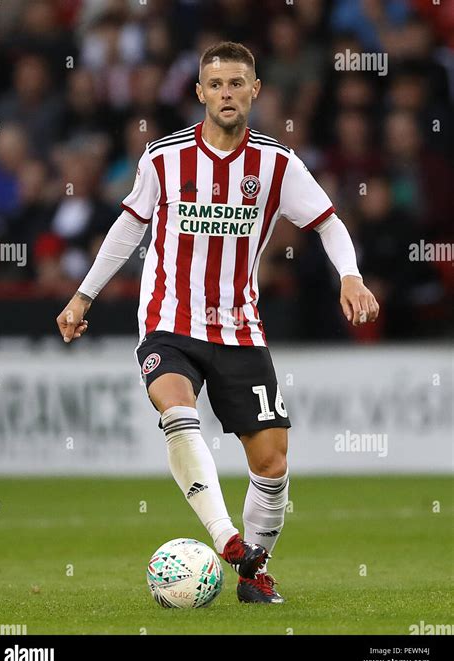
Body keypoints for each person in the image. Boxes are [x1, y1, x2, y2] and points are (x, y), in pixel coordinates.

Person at [56, 42, 379, 604]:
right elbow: (128, 228)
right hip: (168, 321)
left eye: (237, 84)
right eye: (217, 84)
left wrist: (349, 276)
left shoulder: (278, 163)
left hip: (238, 327)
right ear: (200, 92)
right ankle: (226, 537)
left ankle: (253, 576)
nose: (226, 94)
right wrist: (83, 295)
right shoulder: (163, 157)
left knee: (272, 463)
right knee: (176, 407)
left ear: (255, 91)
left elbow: (328, 223)